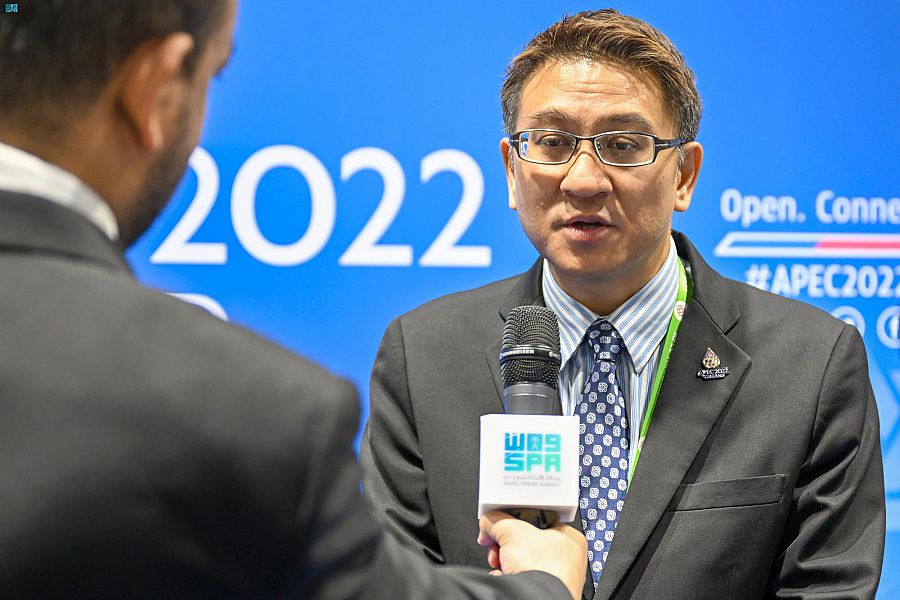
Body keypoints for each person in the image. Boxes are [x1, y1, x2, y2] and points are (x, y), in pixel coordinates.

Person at [0, 1, 587, 598]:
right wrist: (544, 584)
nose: (584, 178)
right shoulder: (244, 413)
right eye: (213, 76)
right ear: (155, 88)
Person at [361, 8, 885, 600]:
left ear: (684, 175)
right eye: (552, 143)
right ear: (511, 170)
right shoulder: (422, 357)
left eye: (622, 145)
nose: (583, 179)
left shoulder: (811, 365)